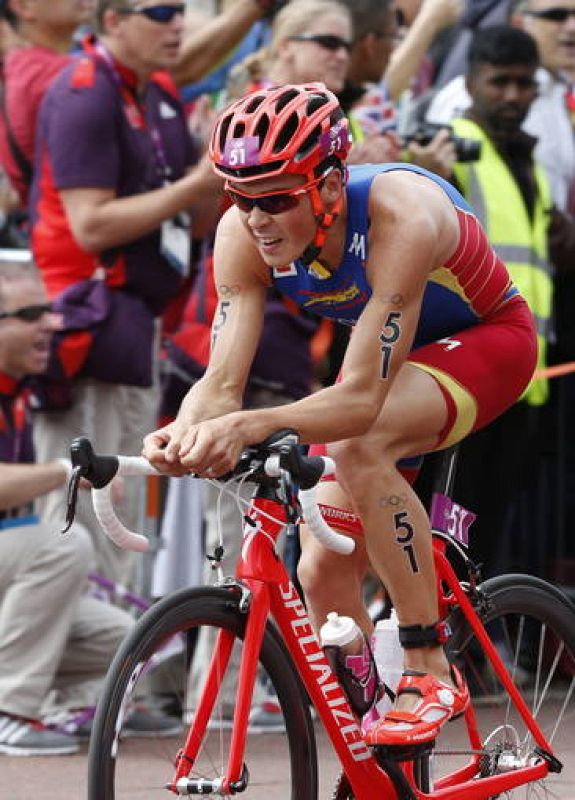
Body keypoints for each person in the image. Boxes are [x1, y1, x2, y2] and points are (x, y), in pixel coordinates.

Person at [143, 82, 537, 746]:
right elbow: (220, 383)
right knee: (323, 564)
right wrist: (184, 432)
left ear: (328, 186)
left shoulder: (401, 213)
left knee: (361, 442)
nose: (255, 219)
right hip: (390, 365)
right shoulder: (241, 233)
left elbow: (357, 401)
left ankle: (427, 666)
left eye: (275, 199)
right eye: (239, 198)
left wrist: (246, 426)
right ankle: (376, 729)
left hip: (486, 342)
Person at [28, 0, 223, 584]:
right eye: (160, 11)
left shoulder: (155, 89)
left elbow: (192, 217)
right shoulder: (86, 90)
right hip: (86, 318)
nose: (178, 24)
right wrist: (194, 183)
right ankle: (80, 642)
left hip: (136, 319)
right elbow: (90, 225)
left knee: (123, 512)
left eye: (180, 11)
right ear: (113, 20)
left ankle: (115, 636)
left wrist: (214, 175)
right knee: (81, 514)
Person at [0, 254, 179, 756]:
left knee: (127, 638)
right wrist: (66, 472)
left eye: (49, 311)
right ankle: (9, 711)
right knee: (61, 545)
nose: (52, 324)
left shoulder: (19, 390)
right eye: (31, 314)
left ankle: (36, 701)